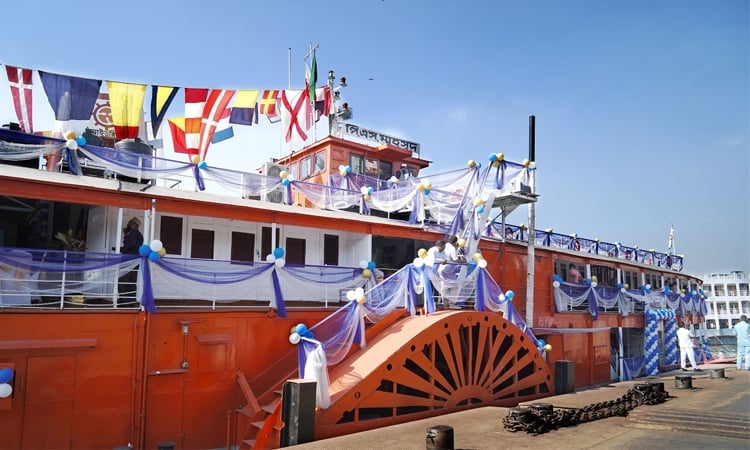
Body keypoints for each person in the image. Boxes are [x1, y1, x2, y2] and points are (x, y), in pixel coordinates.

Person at [118, 217, 144, 304]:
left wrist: (120, 249)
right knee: (132, 282)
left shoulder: (133, 234)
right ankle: (131, 301)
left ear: (134, 224)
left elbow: (130, 246)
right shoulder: (140, 235)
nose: (128, 224)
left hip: (128, 260)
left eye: (129, 223)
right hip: (135, 260)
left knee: (123, 280)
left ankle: (124, 302)